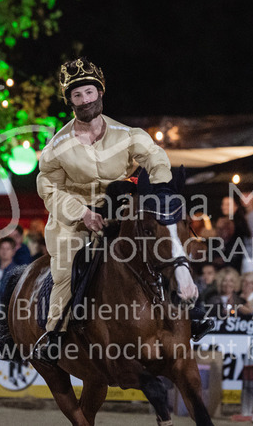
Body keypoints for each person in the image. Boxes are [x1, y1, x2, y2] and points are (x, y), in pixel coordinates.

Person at [35, 57, 209, 361]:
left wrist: (162, 188)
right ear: (70, 101)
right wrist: (83, 213)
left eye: (89, 92)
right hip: (74, 219)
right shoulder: (55, 148)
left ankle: (190, 311)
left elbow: (155, 157)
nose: (85, 100)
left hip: (120, 210)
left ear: (100, 92)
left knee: (162, 247)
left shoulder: (129, 135)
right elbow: (49, 189)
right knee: (66, 268)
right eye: (77, 95)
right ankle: (56, 332)